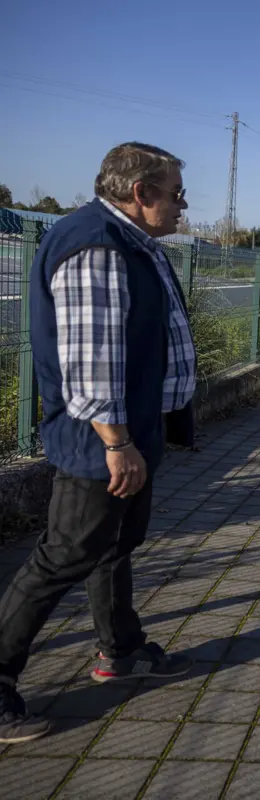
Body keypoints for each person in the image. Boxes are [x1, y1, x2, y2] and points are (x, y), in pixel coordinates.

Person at [0, 143, 198, 743]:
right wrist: (116, 442)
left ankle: (122, 649)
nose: (183, 206)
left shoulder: (130, 242)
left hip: (128, 433)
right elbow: (91, 361)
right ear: (141, 193)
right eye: (175, 194)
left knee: (115, 546)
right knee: (64, 556)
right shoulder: (97, 247)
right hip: (102, 439)